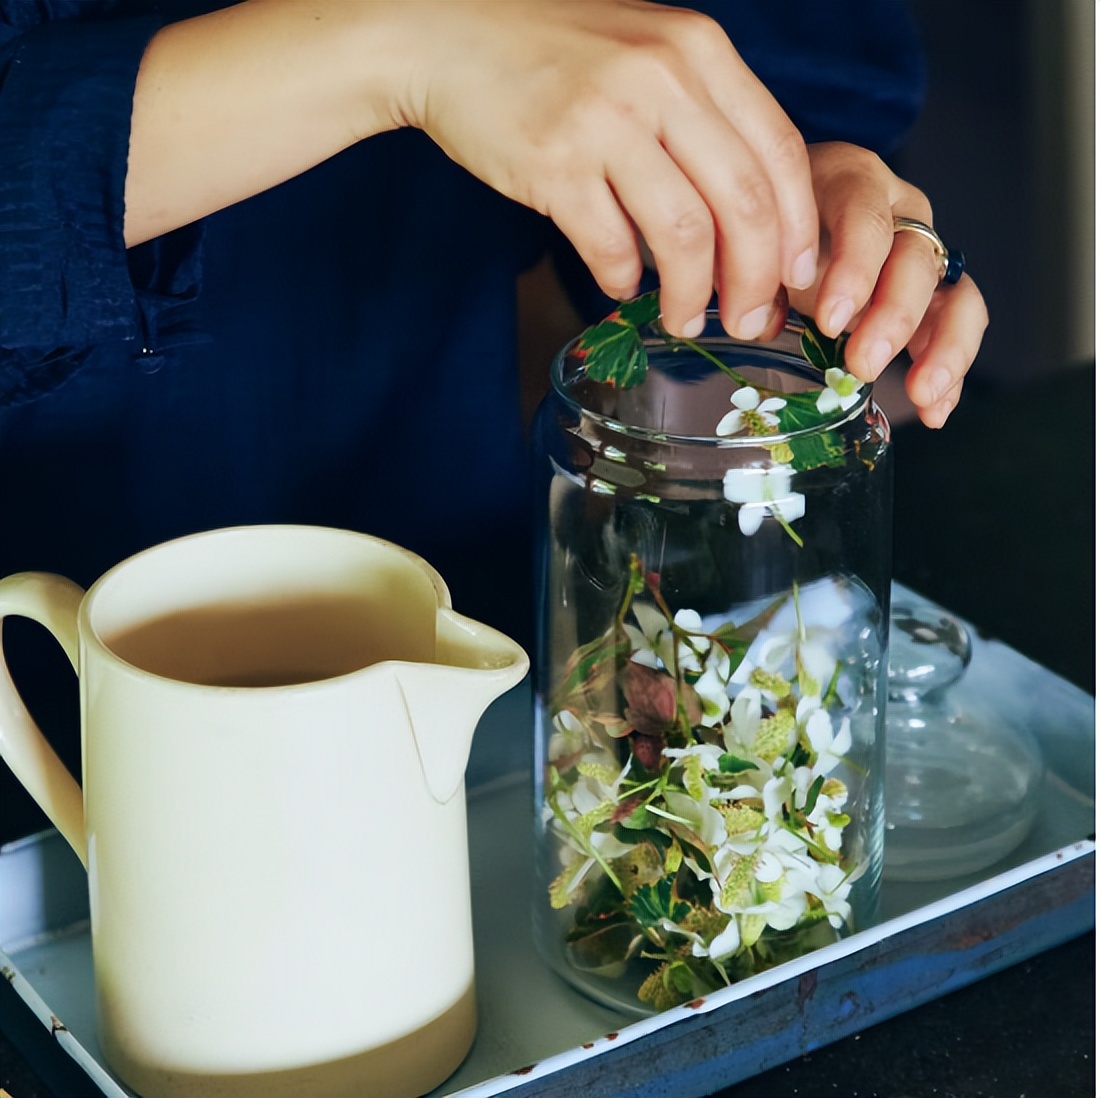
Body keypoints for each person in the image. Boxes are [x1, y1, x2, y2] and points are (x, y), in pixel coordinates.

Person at [0, 0, 987, 839]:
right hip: (48, 678)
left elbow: (779, 65)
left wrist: (773, 207)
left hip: (460, 645)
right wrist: (401, 44)